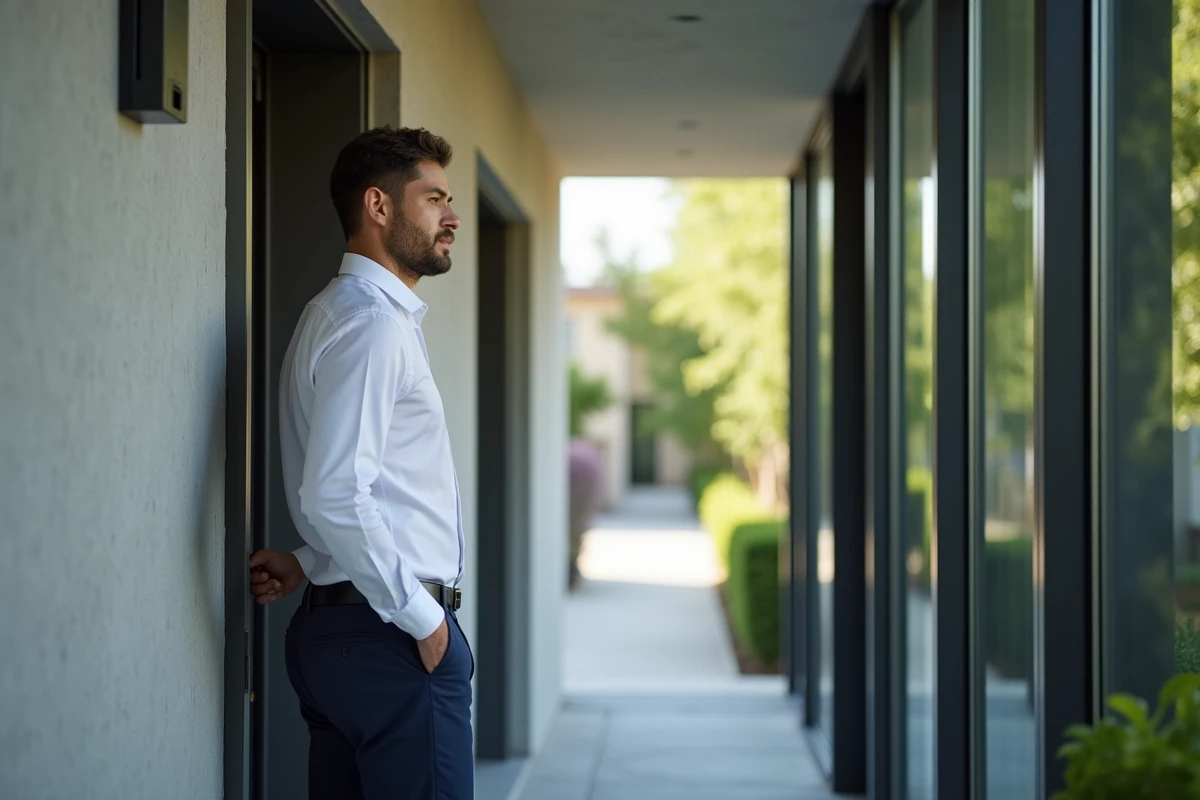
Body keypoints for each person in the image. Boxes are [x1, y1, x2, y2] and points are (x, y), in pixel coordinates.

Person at [247, 126, 472, 800]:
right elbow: (337, 491)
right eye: (434, 200)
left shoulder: (333, 313)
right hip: (390, 642)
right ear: (378, 206)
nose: (452, 216)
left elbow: (345, 485)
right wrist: (425, 622)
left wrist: (313, 558)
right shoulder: (373, 324)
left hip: (340, 631)